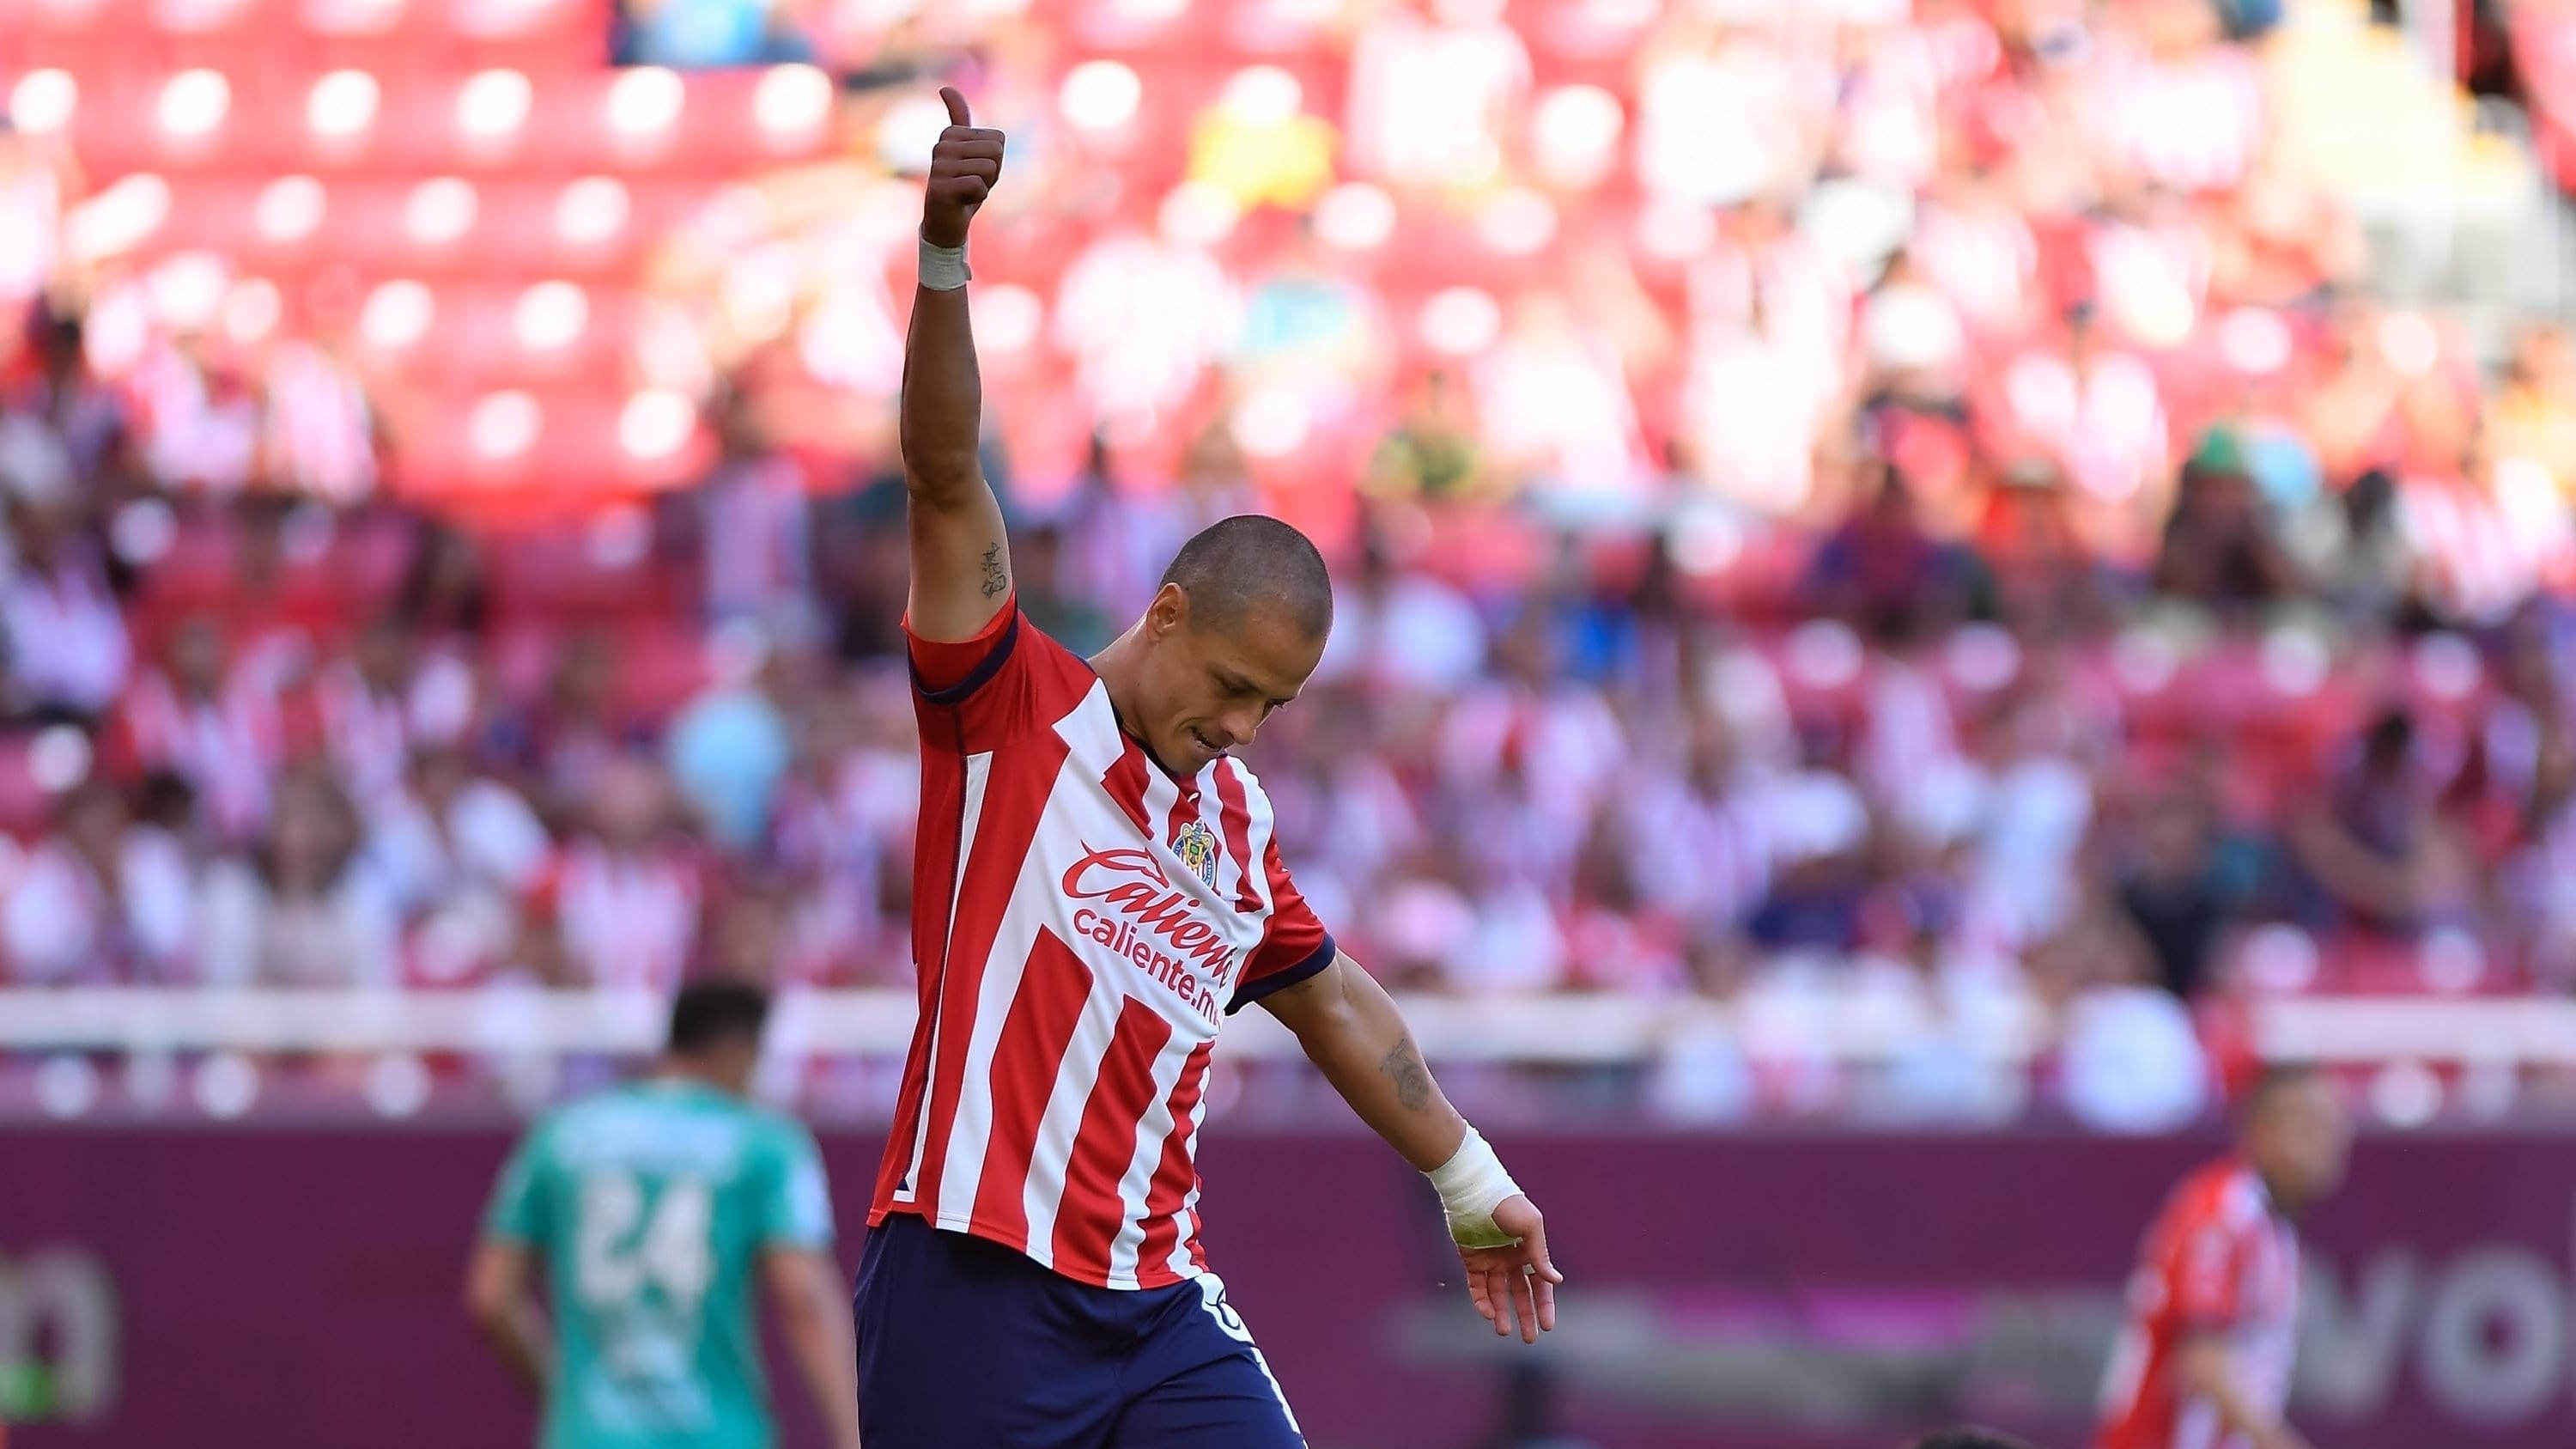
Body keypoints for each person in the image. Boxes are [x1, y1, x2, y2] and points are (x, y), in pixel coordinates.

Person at [853, 89, 1560, 1448]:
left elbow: (1331, 998)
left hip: (1157, 1300)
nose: (1245, 725)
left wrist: (1469, 1177)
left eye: (1275, 703)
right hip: (973, 1276)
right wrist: (946, 250)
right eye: (1233, 686)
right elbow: (946, 479)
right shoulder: (1007, 707)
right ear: (1166, 612)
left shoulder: (1231, 819)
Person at [465, 979, 860, 1449]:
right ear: (740, 1051)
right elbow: (806, 1301)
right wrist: (853, 1435)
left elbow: (492, 1296)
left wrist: (563, 1397)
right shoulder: (764, 1144)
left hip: (588, 1434)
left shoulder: (560, 1135)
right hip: (716, 1432)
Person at [2096, 1063, 2353, 1449]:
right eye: (2307, 1124)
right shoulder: (2221, 1216)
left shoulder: (2274, 1228)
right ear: (2261, 1133)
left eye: (2332, 1125)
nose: (2324, 1141)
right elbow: (2203, 1361)